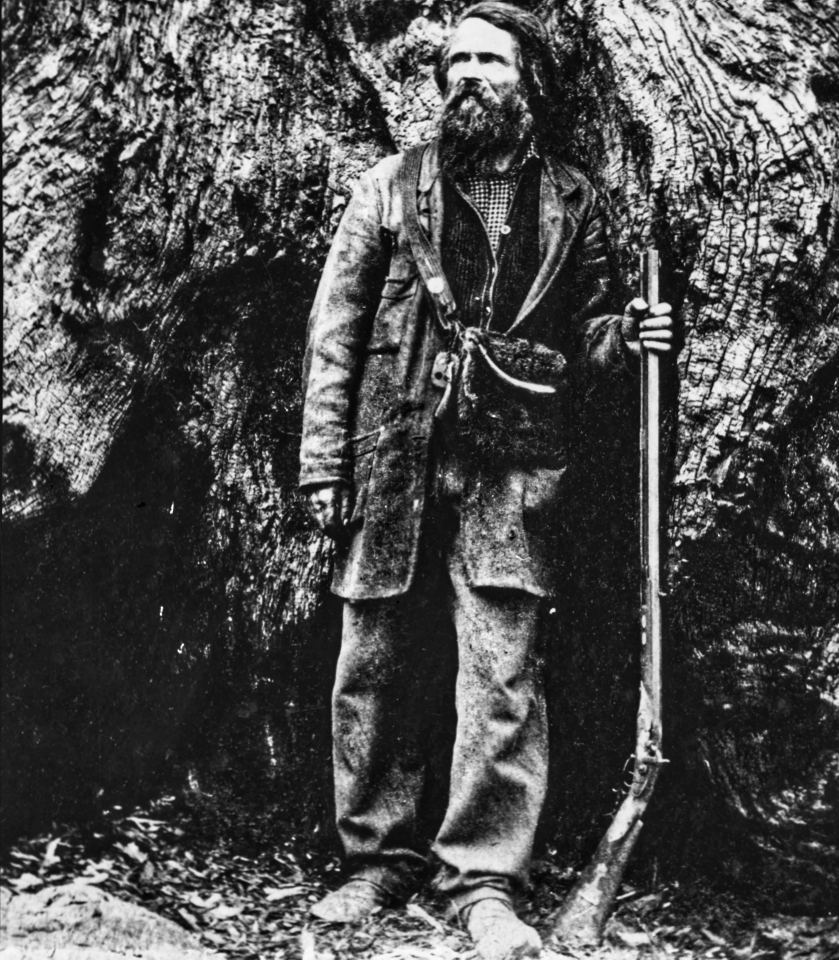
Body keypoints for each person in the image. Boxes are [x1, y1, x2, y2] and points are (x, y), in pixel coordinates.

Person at [298, 4, 675, 958]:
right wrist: (321, 468)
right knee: (373, 660)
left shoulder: (573, 201)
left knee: (501, 671)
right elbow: (335, 339)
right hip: (394, 458)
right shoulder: (388, 189)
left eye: (492, 60)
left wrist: (630, 334)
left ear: (528, 80)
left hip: (513, 466)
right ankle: (376, 860)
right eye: (458, 59)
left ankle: (482, 880)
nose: (471, 75)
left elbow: (588, 339)